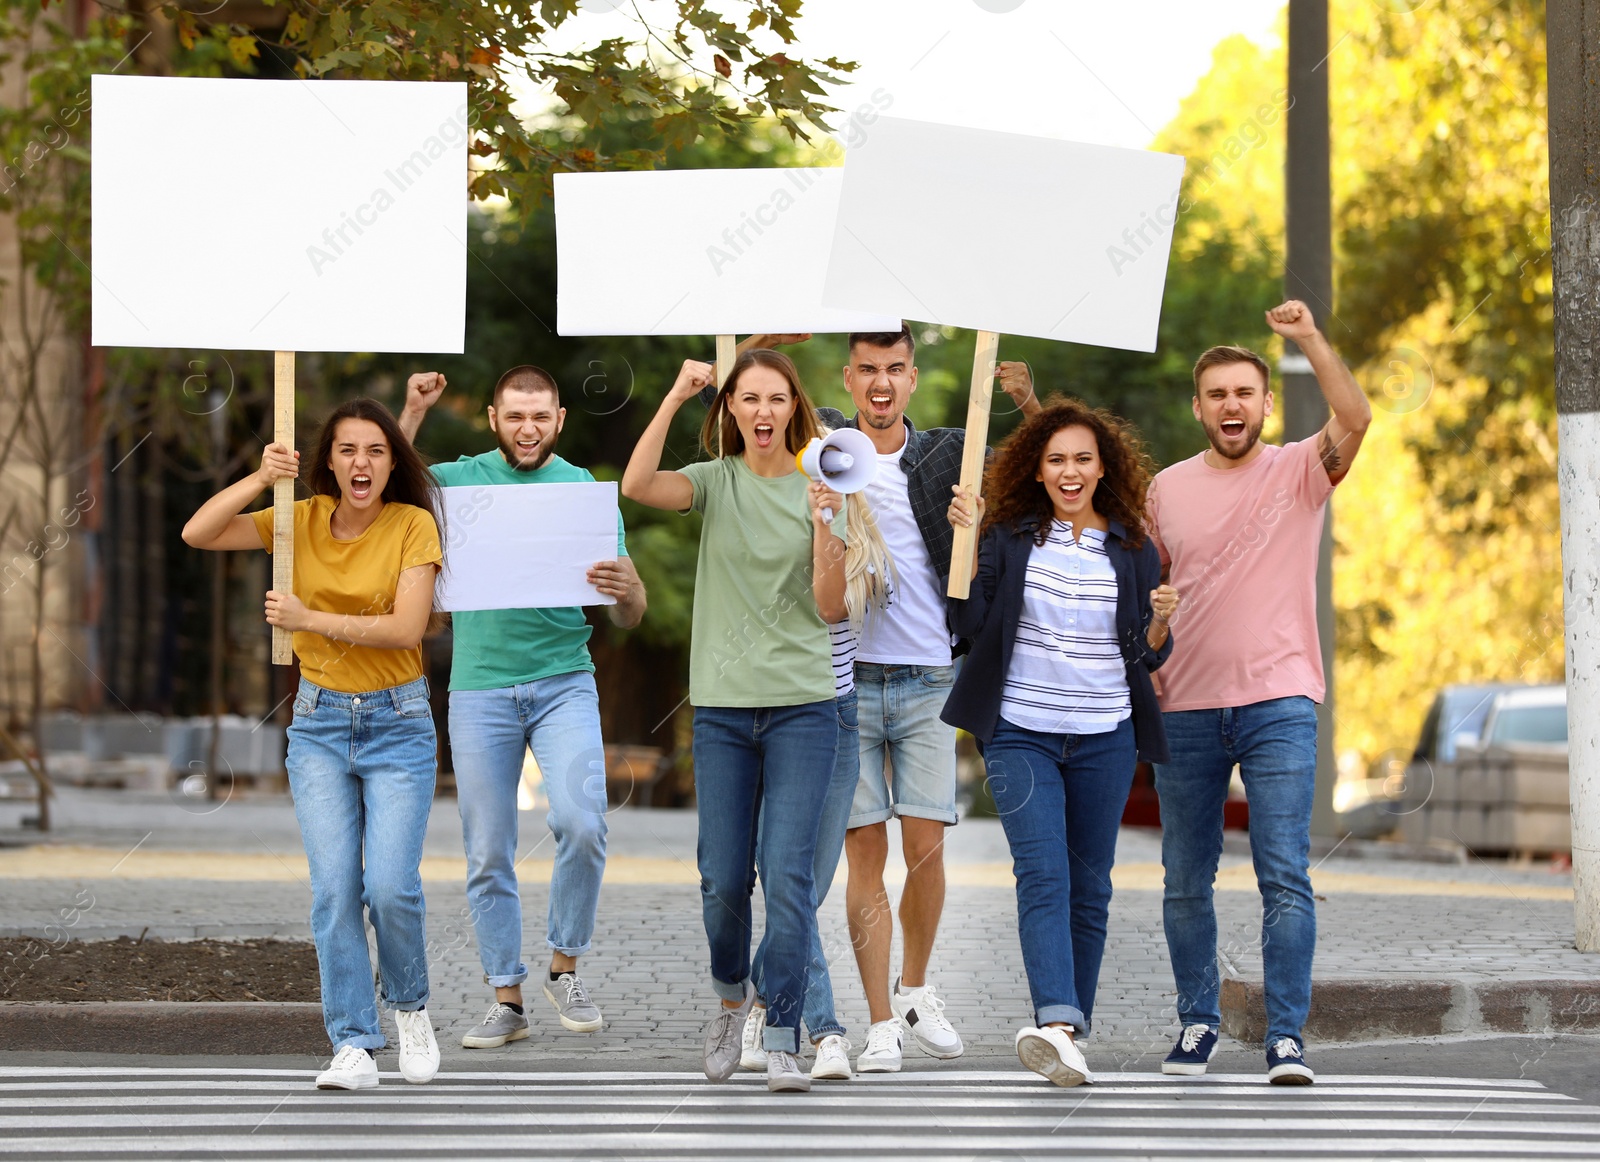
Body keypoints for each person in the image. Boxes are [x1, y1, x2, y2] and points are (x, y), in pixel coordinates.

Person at [181, 398, 445, 1091]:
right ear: (328, 459)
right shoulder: (296, 521)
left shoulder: (412, 525)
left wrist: (307, 618)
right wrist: (260, 476)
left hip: (398, 722)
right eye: (349, 450)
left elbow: (405, 630)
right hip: (320, 724)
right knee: (334, 891)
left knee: (389, 887)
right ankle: (354, 1043)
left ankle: (410, 1008)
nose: (362, 463)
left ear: (393, 463)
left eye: (376, 451)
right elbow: (198, 533)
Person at [1148, 300, 1371, 1085]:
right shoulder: (1164, 491)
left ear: (1266, 403)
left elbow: (1357, 413)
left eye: (1245, 392)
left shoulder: (1301, 469)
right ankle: (1197, 1024)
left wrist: (1308, 337)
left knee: (1283, 870)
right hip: (1186, 707)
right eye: (1217, 394)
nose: (1231, 405)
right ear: (1199, 406)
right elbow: (1144, 591)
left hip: (1279, 700)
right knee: (1185, 877)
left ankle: (1285, 1037)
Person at [397, 366, 645, 1048]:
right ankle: (505, 998)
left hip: (564, 679)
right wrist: (414, 408)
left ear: (559, 419)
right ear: (493, 417)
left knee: (583, 822)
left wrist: (626, 590)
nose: (528, 428)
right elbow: (387, 477)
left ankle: (564, 966)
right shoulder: (459, 479)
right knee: (487, 850)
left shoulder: (582, 494)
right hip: (479, 688)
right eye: (515, 416)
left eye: (540, 417)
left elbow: (629, 615)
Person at [622, 348, 847, 1094]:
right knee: (722, 878)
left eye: (775, 399)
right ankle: (729, 998)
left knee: (786, 877)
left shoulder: (826, 486)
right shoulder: (715, 483)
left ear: (793, 409)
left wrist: (825, 525)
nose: (761, 411)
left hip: (804, 708)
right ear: (730, 411)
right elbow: (635, 485)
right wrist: (678, 394)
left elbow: (831, 607)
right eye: (747, 398)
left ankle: (782, 1029)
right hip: (721, 709)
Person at [942, 398, 1176, 1086]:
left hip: (1105, 735)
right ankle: (1054, 1023)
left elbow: (1145, 654)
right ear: (1036, 471)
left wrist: (1161, 624)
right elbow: (969, 624)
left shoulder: (1134, 548)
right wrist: (967, 538)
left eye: (1082, 459)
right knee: (1043, 874)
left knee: (1090, 888)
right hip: (1019, 733)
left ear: (1104, 468)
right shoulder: (1010, 536)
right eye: (1056, 461)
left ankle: (1068, 1032)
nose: (1070, 472)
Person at [824, 326, 1040, 1073]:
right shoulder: (823, 446)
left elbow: (1050, 474)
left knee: (925, 847)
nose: (881, 384)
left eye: (894, 370)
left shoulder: (950, 451)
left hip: (926, 678)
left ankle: (916, 986)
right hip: (847, 679)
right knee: (864, 852)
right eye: (867, 371)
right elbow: (737, 421)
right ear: (847, 379)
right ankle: (880, 1021)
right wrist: (756, 339)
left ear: (913, 377)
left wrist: (1028, 402)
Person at [742, 456, 897, 1083]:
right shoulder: (766, 524)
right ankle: (826, 1029)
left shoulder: (864, 547)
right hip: (768, 712)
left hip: (832, 718)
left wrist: (823, 524)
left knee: (800, 888)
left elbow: (831, 606)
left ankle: (760, 1004)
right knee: (787, 884)